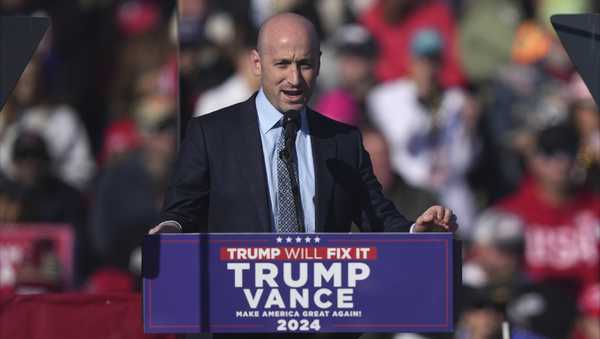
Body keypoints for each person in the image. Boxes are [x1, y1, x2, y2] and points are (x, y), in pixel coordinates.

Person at [150, 12, 457, 238]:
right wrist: (169, 229)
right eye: (282, 64)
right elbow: (180, 214)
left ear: (320, 64)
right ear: (257, 64)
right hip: (239, 315)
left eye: (305, 64)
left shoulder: (343, 141)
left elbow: (378, 217)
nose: (294, 79)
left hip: (321, 317)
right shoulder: (210, 135)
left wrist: (418, 230)